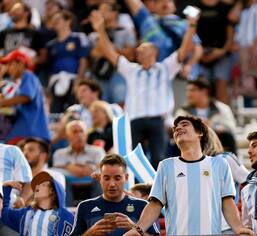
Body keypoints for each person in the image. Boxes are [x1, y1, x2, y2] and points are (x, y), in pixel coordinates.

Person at [90, 9, 196, 168]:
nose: (138, 51)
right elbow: (109, 52)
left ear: (154, 52)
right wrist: (100, 29)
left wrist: (192, 26)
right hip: (136, 119)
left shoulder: (165, 68)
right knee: (133, 160)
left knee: (159, 158)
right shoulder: (131, 70)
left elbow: (185, 49)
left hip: (157, 119)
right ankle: (138, 191)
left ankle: (159, 191)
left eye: (142, 49)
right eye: (138, 50)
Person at [123, 115, 253, 235]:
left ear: (200, 133)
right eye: (175, 128)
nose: (178, 128)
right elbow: (155, 204)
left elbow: (227, 202)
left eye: (184, 125)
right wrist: (138, 229)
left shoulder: (220, 164)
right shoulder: (166, 166)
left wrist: (238, 228)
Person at [70, 154, 159, 236]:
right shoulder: (84, 207)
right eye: (107, 178)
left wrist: (135, 229)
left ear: (126, 177)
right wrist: (90, 233)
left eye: (117, 178)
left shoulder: (142, 206)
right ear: (100, 178)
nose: (112, 184)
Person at [203, 126, 249, 233]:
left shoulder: (225, 159)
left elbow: (251, 182)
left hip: (225, 226)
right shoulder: (188, 167)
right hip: (201, 228)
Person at [0, 49, 50, 144]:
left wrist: (2, 103)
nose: (8, 68)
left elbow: (26, 97)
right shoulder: (19, 82)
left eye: (11, 64)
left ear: (21, 63)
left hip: (32, 133)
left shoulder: (28, 75)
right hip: (24, 132)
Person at [175, 78, 238, 154]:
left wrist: (212, 127)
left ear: (204, 92)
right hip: (191, 144)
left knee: (228, 137)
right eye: (187, 90)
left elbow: (231, 128)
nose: (188, 94)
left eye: (192, 90)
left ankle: (229, 162)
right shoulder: (182, 111)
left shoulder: (222, 108)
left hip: (217, 142)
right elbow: (175, 129)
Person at [1, 171, 74, 235]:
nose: (37, 186)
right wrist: (7, 188)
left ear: (52, 191)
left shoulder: (65, 216)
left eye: (43, 184)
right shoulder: (27, 213)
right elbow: (5, 215)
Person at [47, 9, 90, 113]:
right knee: (55, 111)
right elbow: (50, 67)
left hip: (74, 80)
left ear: (68, 21)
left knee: (73, 111)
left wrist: (79, 81)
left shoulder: (79, 38)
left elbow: (83, 60)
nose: (55, 22)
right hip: (56, 81)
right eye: (53, 20)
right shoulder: (51, 44)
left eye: (58, 19)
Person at [53, 120, 105, 206]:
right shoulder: (59, 153)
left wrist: (68, 166)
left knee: (101, 178)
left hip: (93, 184)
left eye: (82, 131)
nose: (79, 135)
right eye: (75, 132)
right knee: (60, 180)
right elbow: (57, 173)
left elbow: (102, 170)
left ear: (86, 135)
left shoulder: (97, 151)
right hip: (69, 186)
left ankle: (99, 211)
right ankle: (66, 212)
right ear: (67, 136)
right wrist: (87, 168)